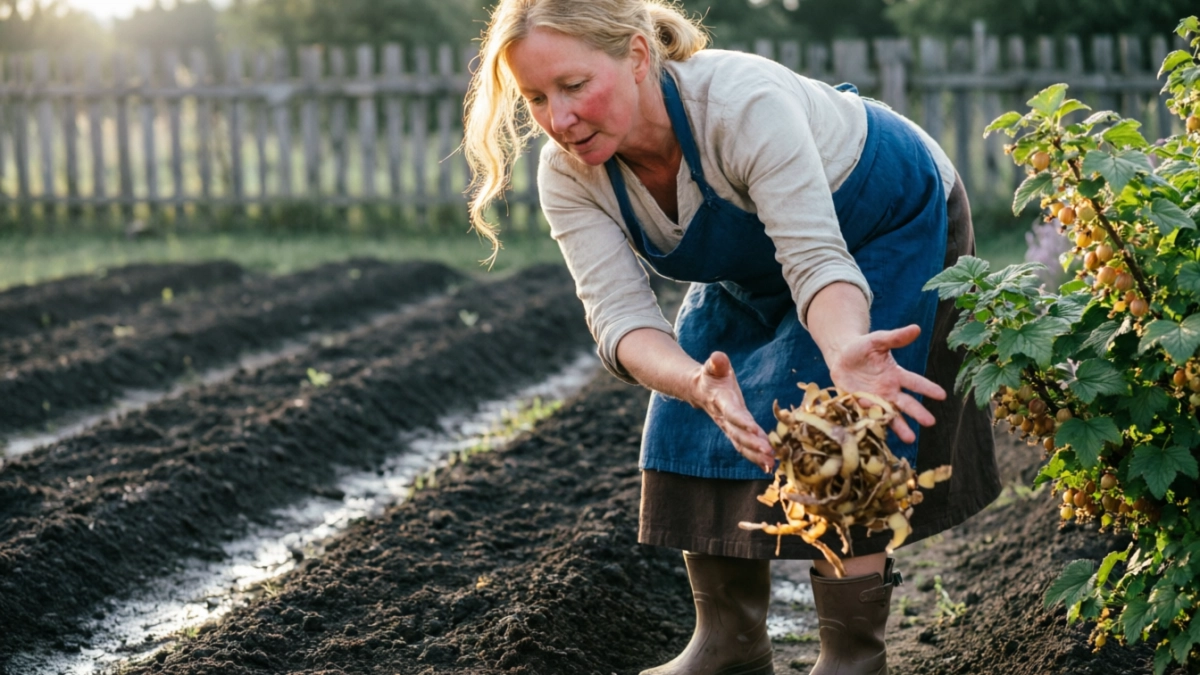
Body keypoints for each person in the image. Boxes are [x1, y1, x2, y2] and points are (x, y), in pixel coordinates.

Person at [463, 1, 1001, 673]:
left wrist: (843, 354)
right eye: (536, 97)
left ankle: (852, 656)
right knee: (694, 415)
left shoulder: (740, 107)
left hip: (884, 216)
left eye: (574, 86)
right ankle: (728, 645)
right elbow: (621, 320)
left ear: (636, 56)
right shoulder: (569, 175)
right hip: (757, 263)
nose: (559, 118)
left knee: (836, 428)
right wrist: (695, 382)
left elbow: (814, 260)